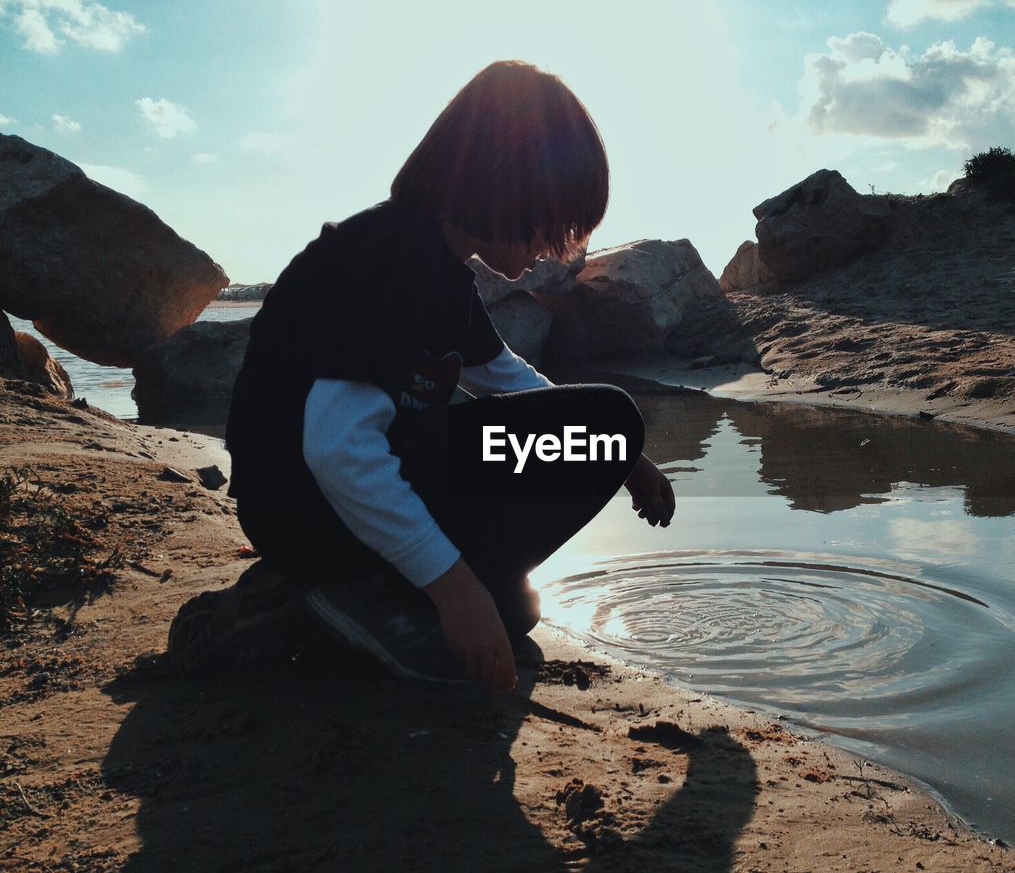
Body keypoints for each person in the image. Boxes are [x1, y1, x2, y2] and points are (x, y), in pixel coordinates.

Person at [167, 60, 676, 693]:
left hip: (312, 512)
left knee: (518, 607)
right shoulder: (387, 258)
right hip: (305, 506)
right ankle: (352, 589)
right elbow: (339, 446)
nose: (555, 248)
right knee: (608, 421)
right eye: (554, 221)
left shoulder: (439, 270)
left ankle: (319, 602)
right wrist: (454, 589)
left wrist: (627, 461)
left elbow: (510, 381)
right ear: (504, 181)